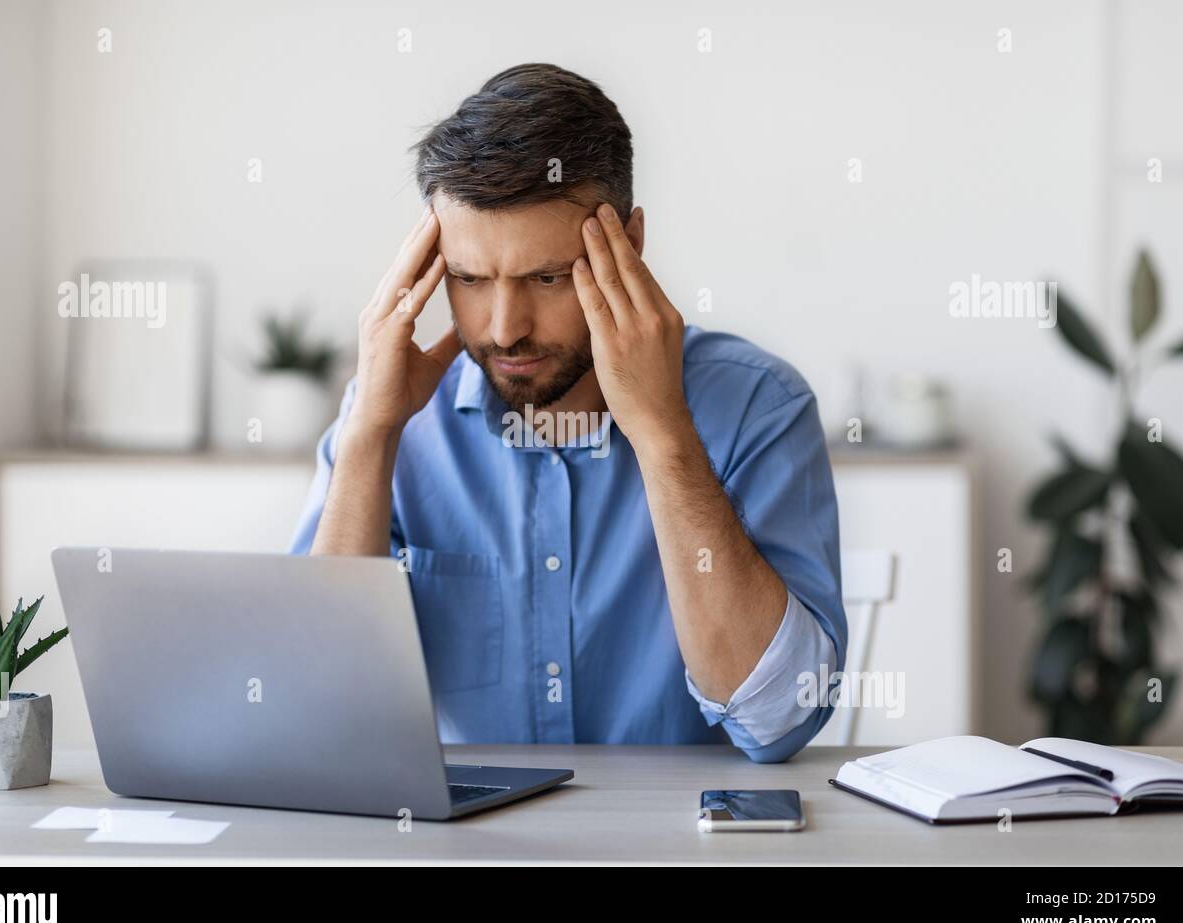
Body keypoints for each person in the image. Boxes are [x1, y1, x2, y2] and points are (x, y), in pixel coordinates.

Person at [290, 63, 846, 762]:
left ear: (629, 247)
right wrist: (370, 437)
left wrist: (663, 432)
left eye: (546, 278)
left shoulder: (757, 405)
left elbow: (779, 720)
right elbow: (318, 714)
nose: (503, 328)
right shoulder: (394, 416)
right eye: (467, 278)